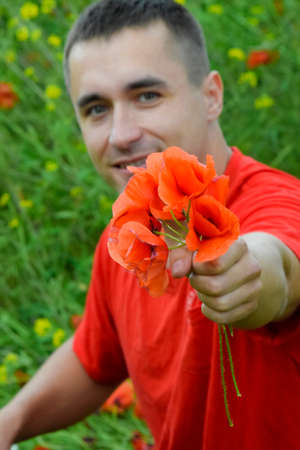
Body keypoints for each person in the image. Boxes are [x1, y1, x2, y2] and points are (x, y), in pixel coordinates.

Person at [1, 0, 300, 448]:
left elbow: (277, 261)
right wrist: (12, 420)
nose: (121, 134)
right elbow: (95, 357)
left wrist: (245, 275)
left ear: (211, 95)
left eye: (147, 96)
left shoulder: (277, 201)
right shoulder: (125, 235)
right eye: (96, 109)